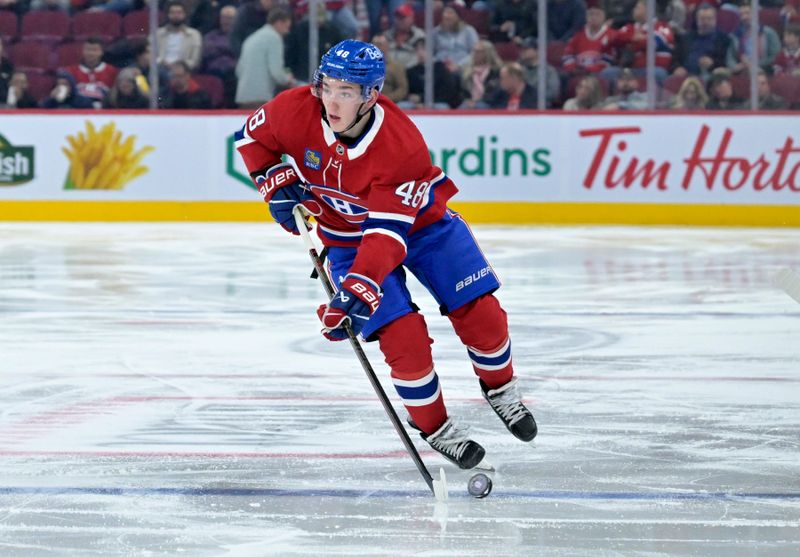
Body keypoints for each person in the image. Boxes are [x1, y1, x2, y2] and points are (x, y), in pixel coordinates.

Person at [234, 40, 537, 470]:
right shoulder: (293, 109)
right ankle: (434, 426)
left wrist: (358, 289)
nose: (331, 100)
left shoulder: (401, 146)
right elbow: (250, 137)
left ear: (371, 96)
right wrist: (272, 179)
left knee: (481, 314)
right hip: (345, 240)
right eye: (327, 87)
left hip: (422, 228)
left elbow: (386, 236)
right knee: (403, 339)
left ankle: (501, 388)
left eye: (345, 91)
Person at [235, 7, 294, 108]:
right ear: (279, 22)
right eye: (286, 27)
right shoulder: (274, 38)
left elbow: (238, 70)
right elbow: (276, 72)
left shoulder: (252, 38)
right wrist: (289, 80)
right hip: (261, 98)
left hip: (243, 96)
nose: (287, 32)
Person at [65, 37, 119, 109]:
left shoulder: (112, 71)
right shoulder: (70, 71)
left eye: (95, 50)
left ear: (101, 52)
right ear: (83, 51)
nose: (91, 53)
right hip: (79, 111)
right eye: (88, 50)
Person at [156, 0, 203, 71]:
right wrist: (161, 62)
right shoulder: (157, 34)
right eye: (172, 13)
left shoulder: (194, 35)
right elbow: (151, 56)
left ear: (185, 14)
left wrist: (179, 65)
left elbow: (195, 60)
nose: (176, 15)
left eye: (179, 13)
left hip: (184, 70)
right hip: (161, 68)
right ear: (168, 15)